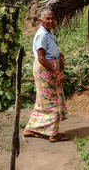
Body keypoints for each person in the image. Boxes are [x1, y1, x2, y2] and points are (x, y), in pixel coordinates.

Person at [23, 9, 69, 142]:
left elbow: (47, 53)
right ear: (40, 20)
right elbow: (41, 58)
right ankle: (53, 134)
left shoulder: (48, 33)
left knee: (44, 101)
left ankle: (31, 129)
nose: (50, 21)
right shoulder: (42, 35)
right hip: (45, 70)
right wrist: (57, 71)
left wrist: (57, 55)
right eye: (47, 19)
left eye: (52, 18)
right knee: (52, 101)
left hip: (49, 68)